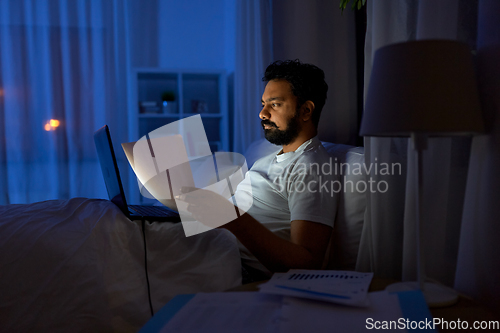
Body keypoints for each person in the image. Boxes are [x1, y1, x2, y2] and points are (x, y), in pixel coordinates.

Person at [181, 60, 339, 282]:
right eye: (263, 104)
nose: (262, 114)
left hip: (235, 267)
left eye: (274, 104)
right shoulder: (266, 160)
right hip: (211, 246)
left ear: (305, 111)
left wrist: (230, 216)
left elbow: (307, 263)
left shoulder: (312, 167)